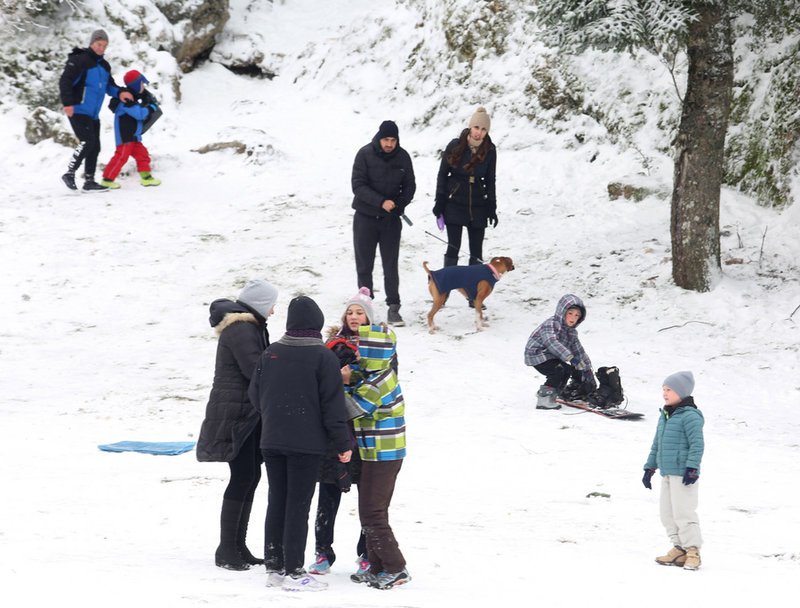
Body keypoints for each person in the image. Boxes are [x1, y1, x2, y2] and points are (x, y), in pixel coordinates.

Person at [248, 295, 353, 592]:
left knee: (277, 501)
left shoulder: (270, 354)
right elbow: (333, 407)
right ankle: (294, 571)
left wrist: (274, 417)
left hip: (271, 440)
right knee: (297, 505)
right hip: (306, 444)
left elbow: (255, 397)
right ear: (317, 323)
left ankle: (274, 567)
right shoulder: (323, 357)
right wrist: (342, 443)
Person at [196, 279, 279, 571]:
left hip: (246, 411)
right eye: (271, 304)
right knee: (243, 476)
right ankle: (227, 549)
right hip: (237, 413)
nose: (273, 311)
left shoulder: (248, 326)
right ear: (259, 303)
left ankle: (237, 545)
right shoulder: (243, 328)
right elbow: (255, 369)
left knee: (249, 476)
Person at [343, 292, 411, 590]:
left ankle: (396, 567)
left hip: (385, 454)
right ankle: (376, 564)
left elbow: (353, 409)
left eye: (364, 350)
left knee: (373, 511)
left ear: (377, 352)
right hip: (373, 452)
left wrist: (342, 385)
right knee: (368, 508)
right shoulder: (371, 372)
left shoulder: (380, 379)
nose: (359, 354)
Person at [307, 288, 374, 579]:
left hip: (367, 433)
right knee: (328, 493)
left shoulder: (379, 346)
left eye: (360, 312)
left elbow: (383, 382)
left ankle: (367, 552)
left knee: (369, 499)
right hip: (335, 431)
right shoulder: (331, 345)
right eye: (350, 312)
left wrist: (353, 377)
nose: (355, 317)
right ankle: (323, 552)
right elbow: (319, 381)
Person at [351, 120, 416, 326]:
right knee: (364, 264)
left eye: (393, 140)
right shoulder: (364, 154)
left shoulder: (403, 157)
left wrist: (399, 204)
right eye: (386, 139)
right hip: (365, 217)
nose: (389, 144)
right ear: (379, 138)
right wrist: (381, 202)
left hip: (391, 221)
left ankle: (394, 307)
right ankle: (365, 306)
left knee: (390, 264)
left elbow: (410, 185)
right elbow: (358, 185)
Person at [432, 106, 497, 307]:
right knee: (453, 247)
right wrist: (439, 201)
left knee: (476, 252)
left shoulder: (490, 150)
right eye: (476, 127)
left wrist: (491, 206)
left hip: (478, 203)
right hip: (454, 201)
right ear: (470, 127)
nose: (479, 132)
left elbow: (491, 179)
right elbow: (442, 174)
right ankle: (444, 291)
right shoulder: (455, 146)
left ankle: (473, 295)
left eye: (483, 129)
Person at [642, 371, 704, 571]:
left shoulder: (690, 416)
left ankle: (693, 550)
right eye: (663, 389)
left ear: (681, 392)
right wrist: (650, 467)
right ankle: (679, 548)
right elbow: (656, 444)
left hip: (684, 474)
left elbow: (697, 444)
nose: (664, 393)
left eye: (669, 390)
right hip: (667, 472)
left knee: (683, 512)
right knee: (667, 514)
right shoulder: (666, 414)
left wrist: (692, 467)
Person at [58, 29, 133, 192]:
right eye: (99, 44)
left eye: (104, 46)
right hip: (78, 109)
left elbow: (109, 86)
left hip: (93, 114)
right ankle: (69, 173)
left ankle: (89, 181)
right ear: (92, 43)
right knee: (88, 141)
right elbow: (65, 81)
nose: (101, 48)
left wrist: (120, 93)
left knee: (95, 146)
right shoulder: (80, 60)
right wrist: (68, 103)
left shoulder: (104, 66)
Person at [523, 294, 596, 410]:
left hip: (551, 356)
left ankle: (553, 392)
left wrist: (587, 372)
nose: (573, 318)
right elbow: (552, 342)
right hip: (536, 354)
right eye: (570, 313)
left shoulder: (571, 333)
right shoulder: (550, 324)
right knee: (558, 370)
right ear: (562, 312)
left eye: (577, 315)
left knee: (567, 370)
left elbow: (579, 352)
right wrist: (570, 358)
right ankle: (544, 398)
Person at [100, 69, 161, 189]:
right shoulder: (127, 101)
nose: (143, 86)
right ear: (136, 85)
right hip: (125, 137)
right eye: (141, 84)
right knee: (121, 157)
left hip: (134, 137)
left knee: (143, 155)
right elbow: (140, 114)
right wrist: (151, 107)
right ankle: (107, 179)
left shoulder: (133, 99)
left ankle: (146, 177)